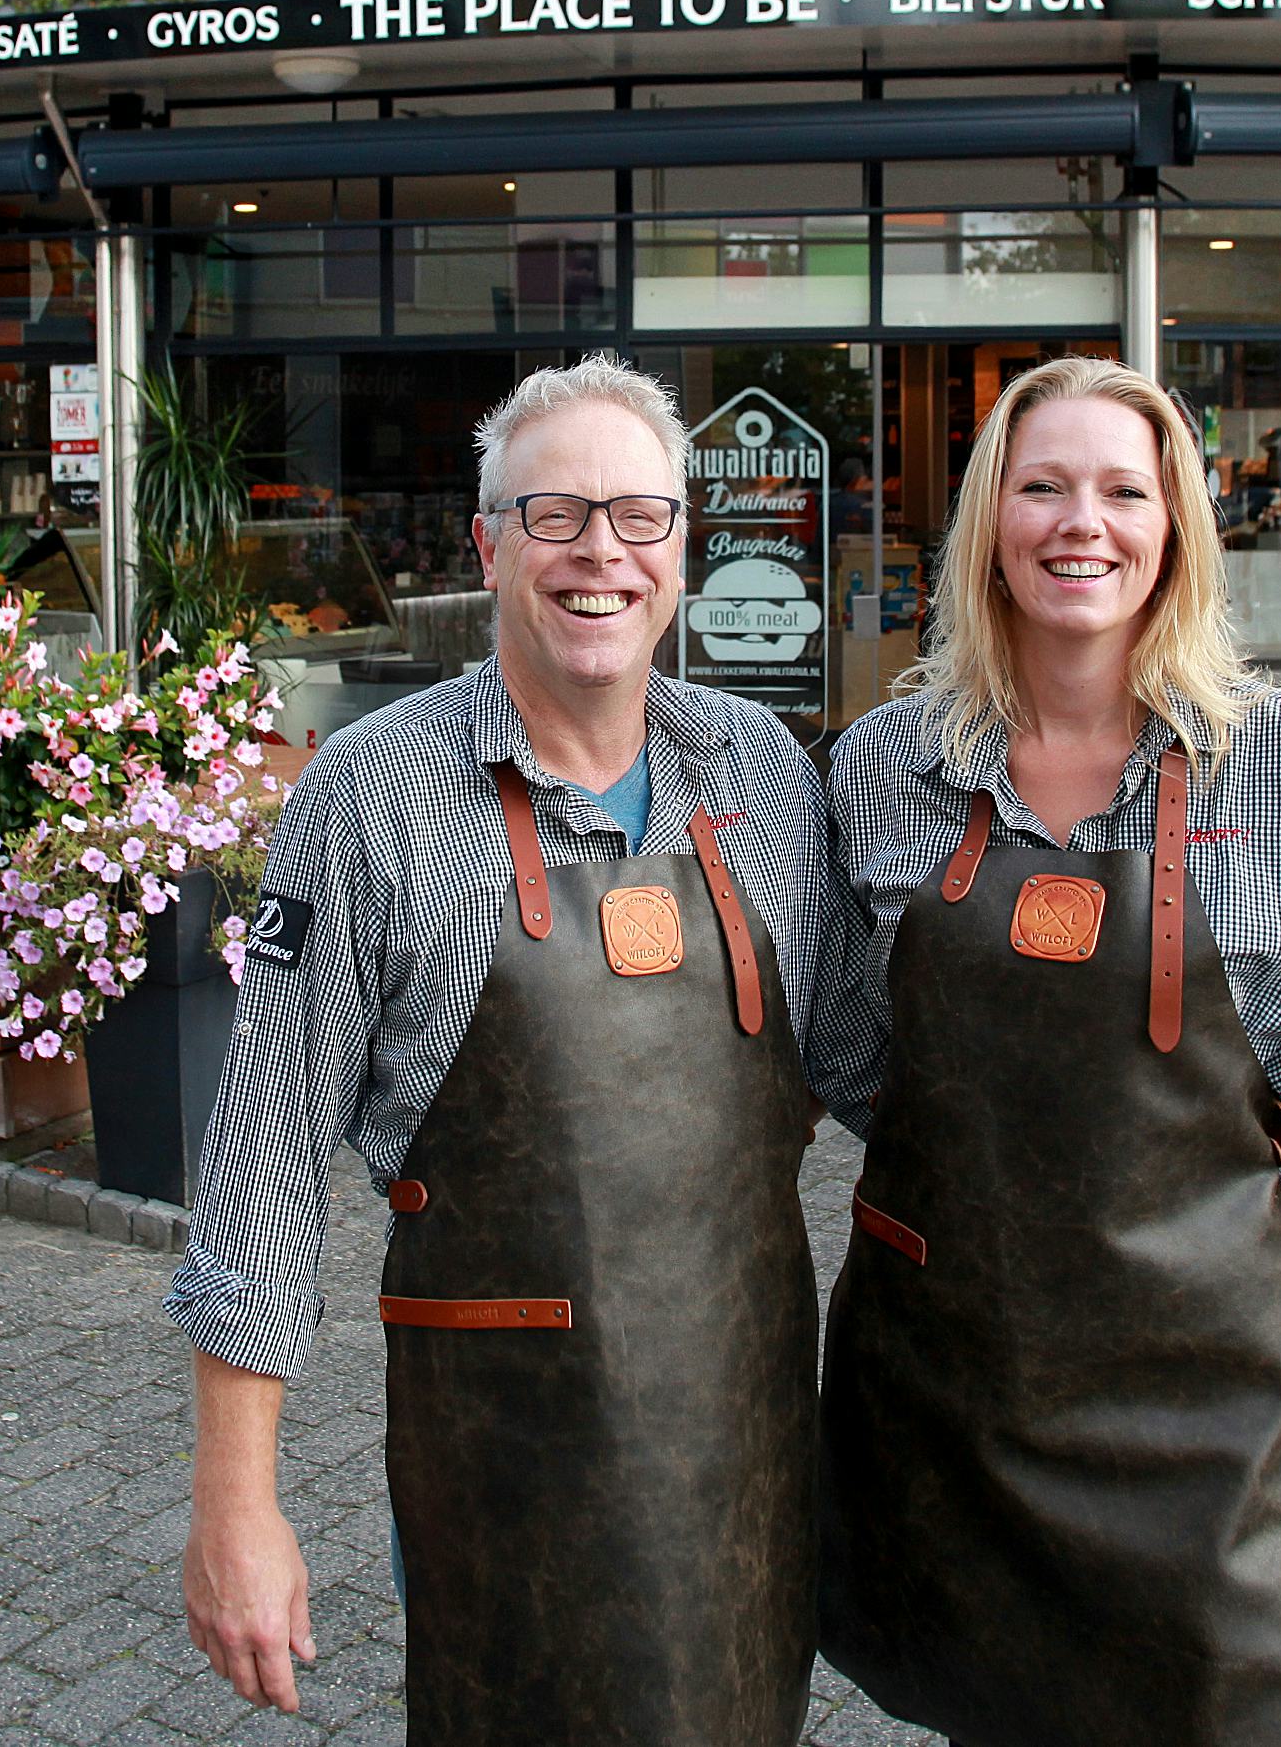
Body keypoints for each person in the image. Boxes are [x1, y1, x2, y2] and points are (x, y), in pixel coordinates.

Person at [173, 354, 873, 1745]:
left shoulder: (766, 775)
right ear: (490, 546)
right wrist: (234, 1507)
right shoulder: (371, 800)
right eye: (554, 514)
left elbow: (875, 1067)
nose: (599, 550)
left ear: (682, 548)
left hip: (743, 1452)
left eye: (639, 515)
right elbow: (259, 1175)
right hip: (505, 1461)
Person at [819, 355, 1281, 1747]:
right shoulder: (883, 768)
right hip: (962, 1392)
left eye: (1122, 490)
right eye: (1043, 486)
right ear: (990, 524)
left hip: (1216, 1402)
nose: (1081, 521)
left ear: (1173, 527)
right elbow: (832, 1066)